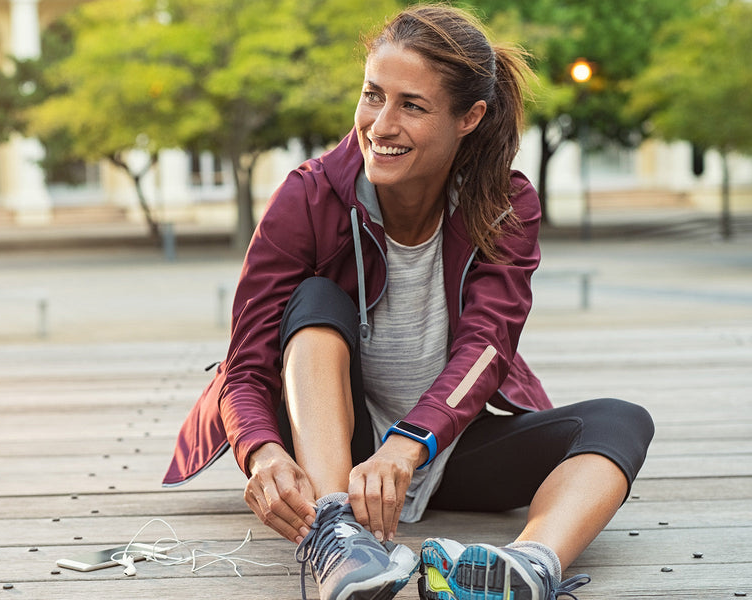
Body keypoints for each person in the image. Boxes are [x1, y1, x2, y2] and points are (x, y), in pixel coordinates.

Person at [163, 4, 654, 600]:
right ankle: (338, 535)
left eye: (412, 105)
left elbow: (487, 347)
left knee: (620, 420)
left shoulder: (504, 204)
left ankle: (529, 568)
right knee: (316, 299)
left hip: (441, 449)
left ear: (469, 117)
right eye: (373, 95)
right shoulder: (309, 196)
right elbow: (245, 362)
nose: (381, 124)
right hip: (339, 456)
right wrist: (262, 451)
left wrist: (410, 444)